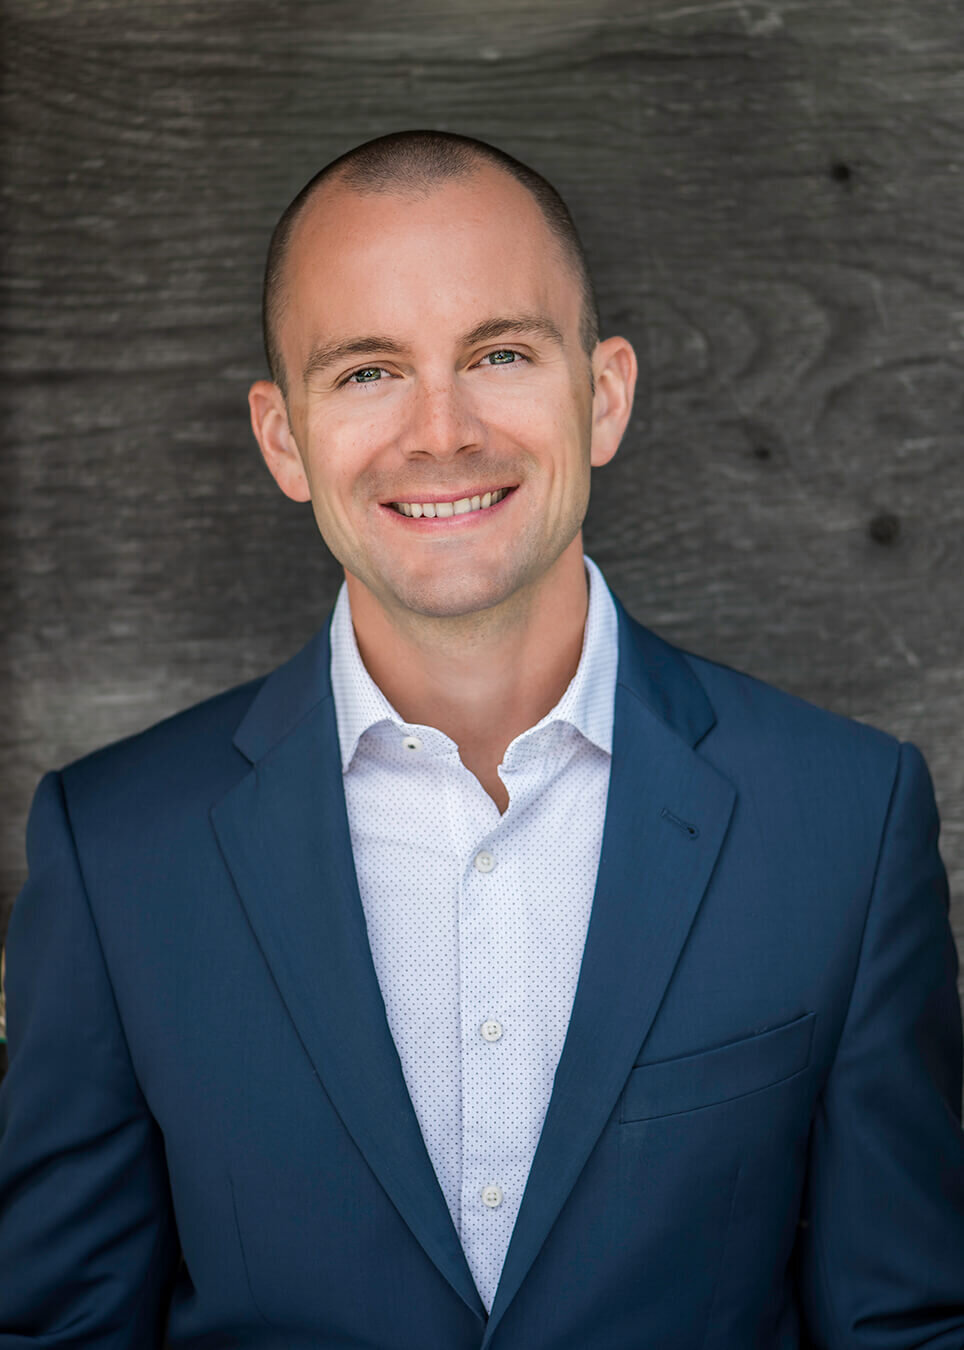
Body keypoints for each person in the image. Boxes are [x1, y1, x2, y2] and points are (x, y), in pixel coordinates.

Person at [0, 129, 962, 1349]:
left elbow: (908, 1330)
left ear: (602, 395)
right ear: (282, 437)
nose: (441, 431)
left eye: (498, 353)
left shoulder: (844, 820)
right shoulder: (115, 853)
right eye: (365, 372)